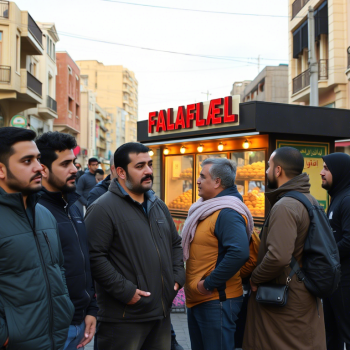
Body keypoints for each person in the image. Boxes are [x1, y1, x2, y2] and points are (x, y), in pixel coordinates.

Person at [85, 142, 185, 350]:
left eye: (149, 164)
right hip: (123, 320)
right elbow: (94, 257)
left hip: (161, 315)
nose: (148, 171)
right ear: (121, 172)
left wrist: (177, 278)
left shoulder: (158, 206)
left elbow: (175, 243)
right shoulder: (102, 208)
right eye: (140, 166)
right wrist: (126, 292)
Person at [243, 147, 326, 350]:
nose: (266, 172)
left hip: (285, 299)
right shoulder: (309, 199)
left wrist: (255, 278)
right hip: (301, 293)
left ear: (278, 170)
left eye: (269, 167)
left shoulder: (285, 206)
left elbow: (278, 256)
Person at [0, 127, 74, 350]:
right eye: (26, 161)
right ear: (1, 170)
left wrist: (65, 308)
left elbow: (58, 267)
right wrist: (5, 335)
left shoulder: (44, 215)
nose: (38, 168)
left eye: (38, 159)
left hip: (55, 340)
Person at [36, 131, 98, 350]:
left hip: (80, 324)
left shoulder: (73, 207)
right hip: (50, 330)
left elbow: (84, 262)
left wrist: (91, 309)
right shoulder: (34, 211)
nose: (74, 169)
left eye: (74, 162)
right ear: (43, 169)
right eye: (65, 164)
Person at [182, 158, 252, 350]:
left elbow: (239, 252)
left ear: (217, 182)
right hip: (200, 298)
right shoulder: (206, 209)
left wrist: (209, 284)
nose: (197, 180)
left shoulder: (227, 212)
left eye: (203, 176)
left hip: (217, 300)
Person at [320, 153, 350, 350]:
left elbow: (349, 241)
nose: (321, 173)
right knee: (331, 334)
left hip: (345, 281)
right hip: (334, 280)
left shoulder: (347, 199)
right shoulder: (338, 196)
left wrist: (325, 258)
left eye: (327, 168)